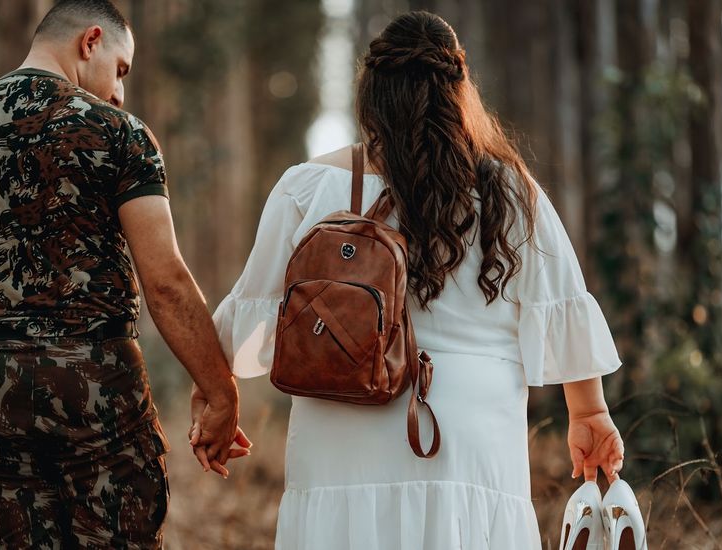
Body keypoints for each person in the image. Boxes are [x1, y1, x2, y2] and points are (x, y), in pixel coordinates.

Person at [191, 10, 625, 549]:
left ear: (371, 95)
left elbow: (253, 311)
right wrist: (589, 412)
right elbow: (560, 301)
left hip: (343, 434)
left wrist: (214, 396)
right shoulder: (509, 190)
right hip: (471, 440)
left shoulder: (306, 187)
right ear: (459, 90)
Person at [0, 1, 250, 548]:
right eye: (121, 70)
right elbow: (164, 282)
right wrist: (220, 392)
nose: (120, 92)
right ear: (91, 40)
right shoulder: (120, 134)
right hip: (96, 390)